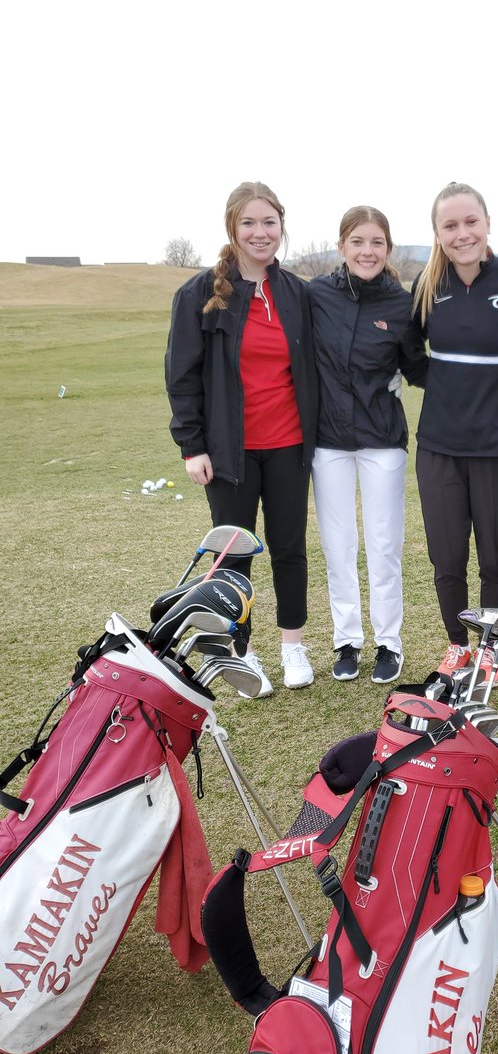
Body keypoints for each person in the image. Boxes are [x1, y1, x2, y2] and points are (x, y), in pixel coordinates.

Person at [165, 181, 319, 697]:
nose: (260, 232)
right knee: (234, 554)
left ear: (281, 226)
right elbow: (181, 375)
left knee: (289, 547)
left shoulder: (296, 292)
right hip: (228, 451)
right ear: (232, 227)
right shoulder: (200, 294)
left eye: (269, 222)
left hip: (289, 445)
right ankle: (241, 650)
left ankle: (293, 645)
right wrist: (192, 445)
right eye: (249, 223)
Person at [411, 182, 498, 682]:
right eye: (450, 225)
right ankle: (457, 645)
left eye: (470, 222)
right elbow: (408, 354)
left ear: (487, 224)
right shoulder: (427, 286)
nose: (462, 234)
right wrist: (446, 386)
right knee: (446, 556)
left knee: (493, 555)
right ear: (437, 232)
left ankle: (489, 651)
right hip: (439, 447)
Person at [308, 206, 429, 685]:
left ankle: (388, 643)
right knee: (338, 545)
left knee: (383, 544)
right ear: (342, 246)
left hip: (382, 440)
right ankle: (346, 640)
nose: (367, 251)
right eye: (357, 241)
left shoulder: (401, 303)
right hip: (328, 440)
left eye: (377, 242)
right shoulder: (316, 295)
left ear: (388, 249)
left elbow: (416, 366)